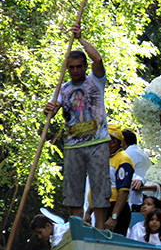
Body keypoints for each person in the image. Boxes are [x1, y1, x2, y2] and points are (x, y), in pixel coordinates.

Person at [44, 23, 111, 226]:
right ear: (67, 69)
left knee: (100, 188)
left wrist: (80, 38)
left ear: (84, 66)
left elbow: (97, 59)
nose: (75, 70)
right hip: (73, 145)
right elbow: (54, 110)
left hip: (97, 142)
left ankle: (100, 229)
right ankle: (76, 230)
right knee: (72, 192)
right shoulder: (62, 89)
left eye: (79, 66)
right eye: (71, 67)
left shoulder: (95, 82)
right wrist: (50, 110)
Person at [94, 123, 134, 235]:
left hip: (116, 209)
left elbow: (123, 191)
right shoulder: (105, 158)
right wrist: (89, 211)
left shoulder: (123, 159)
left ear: (113, 142)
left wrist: (114, 217)